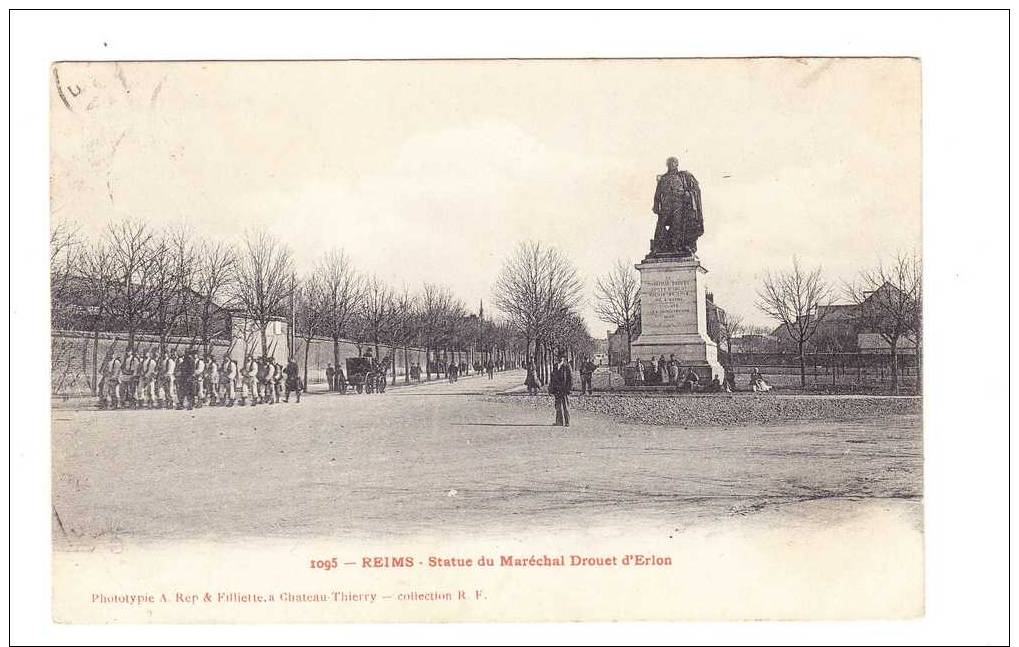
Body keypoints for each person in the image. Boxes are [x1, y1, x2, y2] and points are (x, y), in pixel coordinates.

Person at [548, 351, 573, 427]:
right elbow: (552, 378)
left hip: (564, 389)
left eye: (561, 357)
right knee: (558, 406)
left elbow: (570, 379)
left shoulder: (567, 366)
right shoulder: (555, 366)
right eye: (558, 357)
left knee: (565, 406)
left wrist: (569, 389)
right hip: (556, 389)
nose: (560, 358)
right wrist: (550, 388)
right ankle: (559, 421)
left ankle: (567, 422)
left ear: (564, 358)